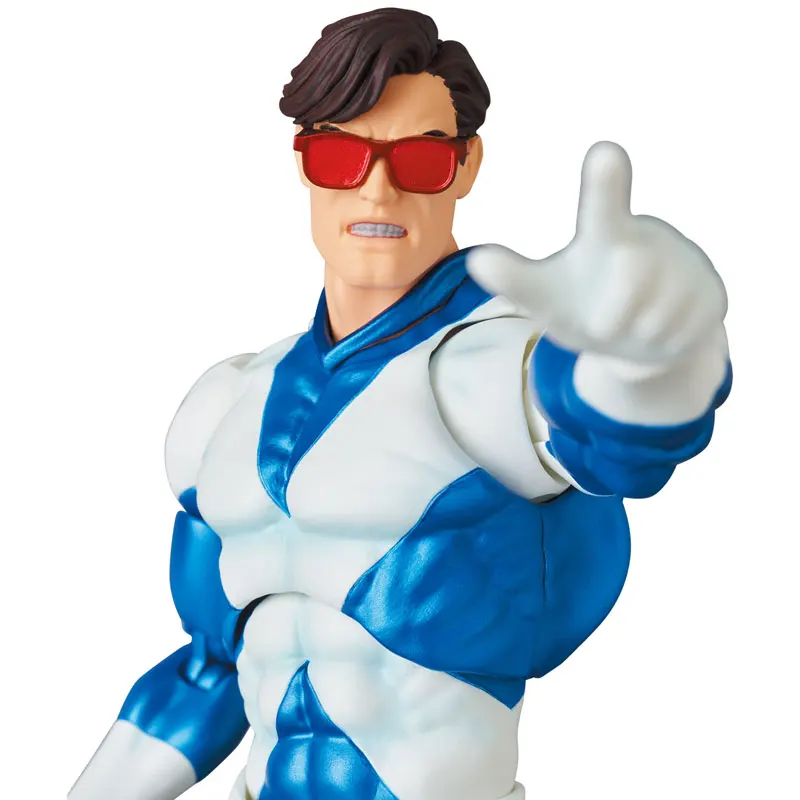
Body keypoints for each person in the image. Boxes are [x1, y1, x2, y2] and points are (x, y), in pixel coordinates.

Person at [69, 8, 731, 800]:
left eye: (420, 158)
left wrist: (657, 345)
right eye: (340, 154)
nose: (377, 188)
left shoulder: (490, 370)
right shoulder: (223, 409)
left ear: (467, 164)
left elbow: (616, 431)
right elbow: (208, 673)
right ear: (303, 161)